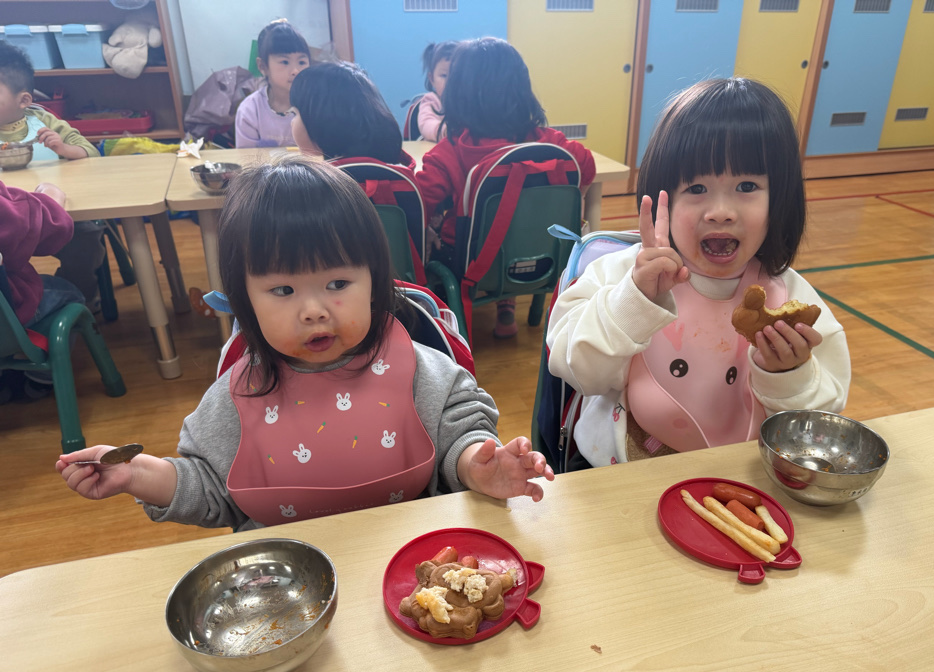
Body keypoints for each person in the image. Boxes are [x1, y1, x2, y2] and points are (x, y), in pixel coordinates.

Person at [56, 157, 554, 531]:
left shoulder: (419, 368)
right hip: (287, 582)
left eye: (337, 284)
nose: (313, 310)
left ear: (375, 283)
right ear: (245, 302)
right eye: (282, 290)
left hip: (408, 558)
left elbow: (458, 434)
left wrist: (476, 465)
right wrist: (138, 475)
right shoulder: (238, 394)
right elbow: (210, 487)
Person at [545, 78, 851, 468]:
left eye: (746, 185)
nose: (720, 211)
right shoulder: (622, 273)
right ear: (664, 197)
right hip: (623, 470)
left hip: (740, 475)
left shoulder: (789, 295)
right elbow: (574, 369)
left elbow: (821, 420)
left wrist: (789, 374)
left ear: (780, 200)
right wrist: (632, 302)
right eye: (696, 188)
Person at [416, 37, 595, 339]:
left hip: (470, 265)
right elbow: (586, 169)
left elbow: (418, 203)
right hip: (546, 257)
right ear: (522, 91)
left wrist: (429, 229)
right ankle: (510, 306)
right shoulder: (553, 145)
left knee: (435, 247)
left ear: (458, 93)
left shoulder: (449, 153)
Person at [0, 40, 105, 312]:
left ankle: (78, 297)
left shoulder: (43, 121)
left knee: (86, 237)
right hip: (9, 221)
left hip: (56, 214)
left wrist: (63, 148)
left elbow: (90, 153)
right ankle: (15, 307)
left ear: (23, 100)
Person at [0, 180, 78, 402]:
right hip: (7, 319)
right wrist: (51, 194)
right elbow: (54, 227)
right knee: (70, 294)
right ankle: (41, 378)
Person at [289, 61, 414, 168]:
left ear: (322, 120)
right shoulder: (392, 167)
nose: (292, 123)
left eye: (294, 113)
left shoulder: (328, 183)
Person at [234, 19, 310, 148]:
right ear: (263, 66)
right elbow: (246, 157)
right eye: (285, 62)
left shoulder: (316, 105)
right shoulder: (250, 110)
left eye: (301, 62)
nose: (295, 71)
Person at [417, 41, 456, 142]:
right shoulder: (432, 100)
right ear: (432, 79)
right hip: (437, 148)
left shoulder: (470, 102)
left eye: (457, 75)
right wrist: (446, 131)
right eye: (444, 75)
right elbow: (426, 124)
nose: (450, 81)